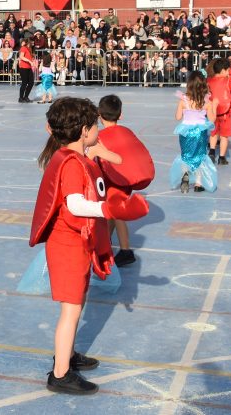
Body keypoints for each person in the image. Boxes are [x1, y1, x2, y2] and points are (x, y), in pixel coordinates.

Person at [28, 97, 148, 395]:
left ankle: (67, 355)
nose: (98, 129)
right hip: (67, 244)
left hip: (76, 241)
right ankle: (60, 373)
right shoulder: (70, 163)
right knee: (71, 309)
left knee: (78, 302)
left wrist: (103, 153)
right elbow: (75, 205)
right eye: (94, 125)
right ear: (83, 130)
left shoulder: (76, 154)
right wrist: (111, 210)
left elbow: (114, 166)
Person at [94, 95, 154, 267]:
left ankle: (126, 250)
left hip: (112, 180)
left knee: (117, 212)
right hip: (126, 178)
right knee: (111, 213)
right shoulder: (126, 132)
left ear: (99, 114)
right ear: (120, 115)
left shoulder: (99, 137)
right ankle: (104, 244)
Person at [171, 71, 219, 193]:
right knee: (200, 155)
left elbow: (177, 117)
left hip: (185, 132)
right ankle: (198, 183)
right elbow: (212, 119)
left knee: (185, 155)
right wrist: (214, 106)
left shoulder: (183, 101)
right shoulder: (206, 102)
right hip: (200, 132)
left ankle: (185, 175)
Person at [207, 58, 231, 165]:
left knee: (213, 132)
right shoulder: (228, 80)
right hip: (225, 111)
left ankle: (212, 152)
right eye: (227, 70)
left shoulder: (208, 80)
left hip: (212, 109)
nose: (228, 73)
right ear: (223, 71)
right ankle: (222, 157)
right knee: (224, 135)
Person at [18, 38, 36, 103]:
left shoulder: (30, 49)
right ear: (29, 42)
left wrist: (32, 60)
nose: (33, 43)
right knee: (24, 83)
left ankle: (26, 97)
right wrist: (29, 61)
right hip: (23, 67)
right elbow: (21, 56)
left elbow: (30, 57)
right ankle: (21, 98)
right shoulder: (23, 48)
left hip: (28, 67)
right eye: (32, 42)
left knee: (31, 82)